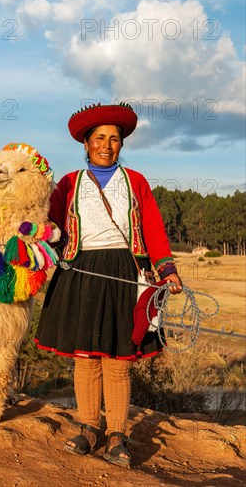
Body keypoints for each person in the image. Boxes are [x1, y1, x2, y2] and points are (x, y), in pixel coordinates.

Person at [34, 103, 182, 468]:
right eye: (99, 138)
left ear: (121, 145)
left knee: (118, 361)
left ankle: (117, 434)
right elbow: (51, 227)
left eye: (114, 139)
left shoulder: (136, 182)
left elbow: (152, 229)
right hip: (81, 271)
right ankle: (88, 427)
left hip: (124, 272)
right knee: (86, 358)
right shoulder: (68, 183)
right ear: (86, 143)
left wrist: (167, 270)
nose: (107, 144)